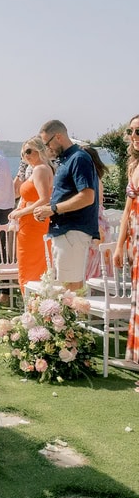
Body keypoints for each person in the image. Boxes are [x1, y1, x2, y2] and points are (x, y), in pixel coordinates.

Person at [34, 120, 99, 290]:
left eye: (47, 143)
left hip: (73, 231)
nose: (47, 148)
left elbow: (87, 197)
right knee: (65, 286)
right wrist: (47, 210)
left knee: (70, 288)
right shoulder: (67, 159)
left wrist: (53, 209)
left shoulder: (78, 158)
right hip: (64, 230)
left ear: (58, 137)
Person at [8, 137, 54, 292]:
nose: (25, 155)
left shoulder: (40, 169)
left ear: (39, 150)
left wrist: (21, 212)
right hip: (30, 223)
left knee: (29, 264)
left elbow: (44, 199)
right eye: (23, 153)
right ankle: (33, 301)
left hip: (34, 224)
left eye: (28, 151)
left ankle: (32, 302)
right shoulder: (40, 168)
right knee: (29, 263)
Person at [114, 115, 139, 364]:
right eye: (130, 131)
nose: (133, 136)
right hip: (135, 240)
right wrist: (120, 245)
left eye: (138, 131)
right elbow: (126, 211)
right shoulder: (134, 165)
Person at [82, 145, 111, 281]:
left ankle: (89, 287)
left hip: (94, 221)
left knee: (91, 260)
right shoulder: (95, 177)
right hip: (98, 221)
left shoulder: (91, 178)